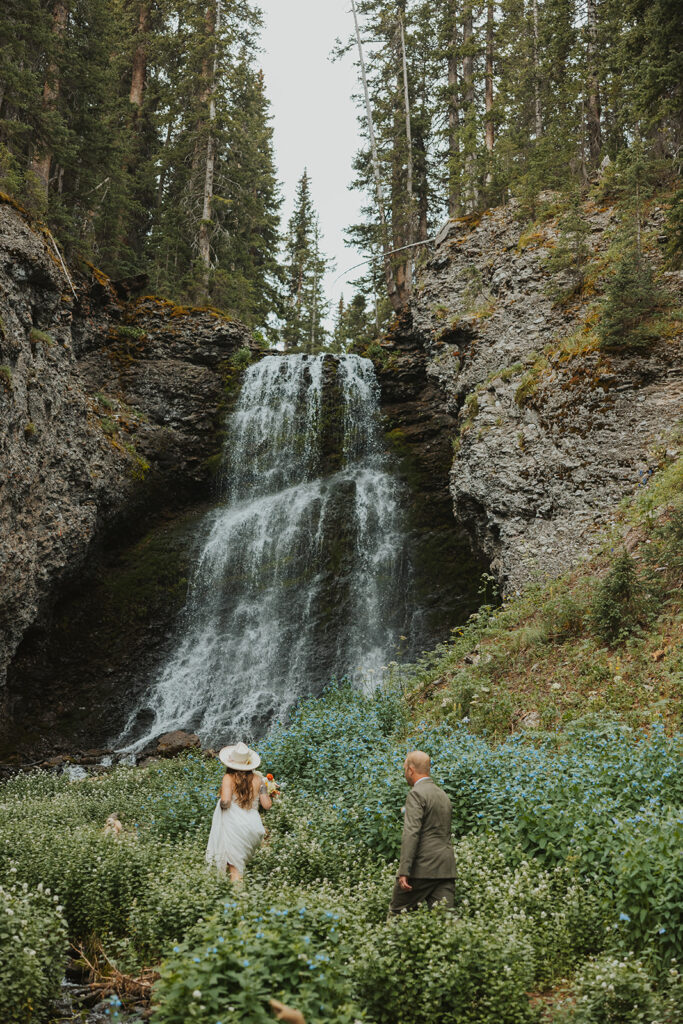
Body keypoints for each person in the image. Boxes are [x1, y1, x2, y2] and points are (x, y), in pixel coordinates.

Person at [388, 749, 457, 915]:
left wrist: (404, 871)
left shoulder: (416, 794)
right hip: (445, 868)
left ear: (410, 770)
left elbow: (411, 833)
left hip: (422, 867)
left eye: (405, 769)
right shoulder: (443, 794)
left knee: (398, 913)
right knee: (445, 919)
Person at [205, 741, 272, 881]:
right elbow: (267, 805)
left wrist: (220, 801)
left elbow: (226, 803)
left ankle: (238, 895)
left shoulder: (228, 778)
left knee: (234, 868)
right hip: (253, 826)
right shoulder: (259, 780)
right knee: (238, 865)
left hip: (235, 826)